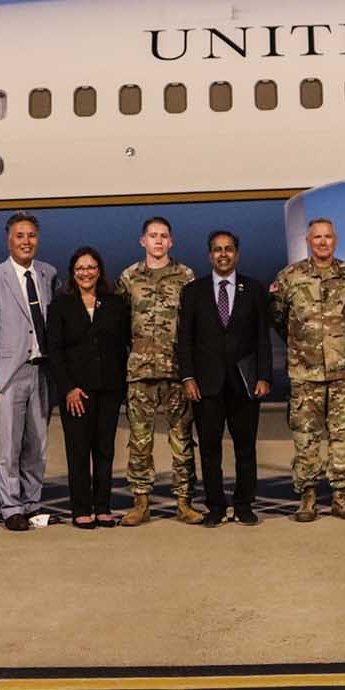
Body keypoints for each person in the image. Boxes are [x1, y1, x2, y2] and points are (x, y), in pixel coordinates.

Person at [270, 217, 345, 521]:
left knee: (343, 436)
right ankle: (308, 496)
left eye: (328, 237)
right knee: (306, 437)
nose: (323, 242)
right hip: (306, 375)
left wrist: (337, 342)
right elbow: (278, 318)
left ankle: (341, 496)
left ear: (335, 240)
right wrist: (305, 345)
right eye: (317, 237)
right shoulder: (290, 277)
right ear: (308, 241)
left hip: (342, 374)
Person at [177, 230, 273, 525]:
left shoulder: (254, 289)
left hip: (245, 382)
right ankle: (216, 507)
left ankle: (244, 505)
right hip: (207, 383)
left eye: (228, 249)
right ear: (210, 255)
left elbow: (262, 338)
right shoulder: (193, 291)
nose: (223, 254)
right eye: (217, 250)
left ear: (237, 254)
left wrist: (263, 376)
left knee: (245, 447)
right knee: (209, 448)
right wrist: (188, 377)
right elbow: (185, 340)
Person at [118, 218, 200, 526]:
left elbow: (192, 323)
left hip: (176, 371)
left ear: (171, 242)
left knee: (182, 440)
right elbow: (120, 321)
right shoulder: (129, 278)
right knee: (140, 441)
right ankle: (140, 502)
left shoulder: (186, 276)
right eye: (152, 236)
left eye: (164, 236)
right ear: (143, 241)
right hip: (140, 371)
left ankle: (184, 502)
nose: (158, 241)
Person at [0, 213, 58, 530]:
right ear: (9, 240)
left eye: (31, 236)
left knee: (37, 445)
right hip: (9, 373)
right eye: (20, 236)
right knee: (8, 447)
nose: (26, 241)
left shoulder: (48, 274)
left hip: (42, 371)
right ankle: (11, 507)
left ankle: (33, 504)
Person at [50, 246, 131, 527]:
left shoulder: (115, 303)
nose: (86, 273)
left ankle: (103, 507)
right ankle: (81, 509)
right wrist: (68, 387)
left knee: (105, 450)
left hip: (108, 388)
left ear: (100, 271)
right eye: (80, 268)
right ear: (73, 273)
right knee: (79, 450)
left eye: (91, 268)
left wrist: (121, 385)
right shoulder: (60, 305)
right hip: (76, 392)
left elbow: (122, 345)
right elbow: (55, 351)